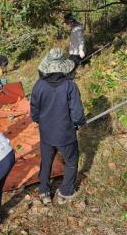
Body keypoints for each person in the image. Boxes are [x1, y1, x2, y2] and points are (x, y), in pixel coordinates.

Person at [30, 48, 86, 205]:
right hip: (65, 133)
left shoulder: (38, 85)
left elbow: (34, 109)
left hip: (46, 133)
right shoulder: (70, 86)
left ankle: (44, 191)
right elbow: (77, 111)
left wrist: (37, 120)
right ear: (64, 67)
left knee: (46, 161)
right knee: (71, 161)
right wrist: (79, 123)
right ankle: (65, 192)